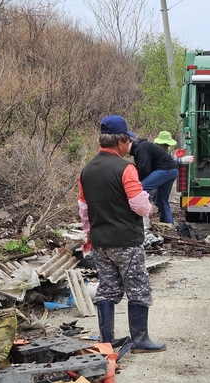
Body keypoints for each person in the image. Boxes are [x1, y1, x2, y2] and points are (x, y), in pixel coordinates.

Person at [78, 115, 165, 353]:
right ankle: (140, 340)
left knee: (107, 287)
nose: (130, 145)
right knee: (137, 287)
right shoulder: (126, 168)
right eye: (128, 141)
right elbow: (139, 205)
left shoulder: (86, 170)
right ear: (120, 141)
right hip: (126, 241)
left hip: (100, 242)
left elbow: (84, 208)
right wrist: (149, 205)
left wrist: (89, 236)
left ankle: (106, 341)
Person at [130, 134, 181, 224]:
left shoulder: (141, 148)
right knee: (162, 199)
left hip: (166, 170)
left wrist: (137, 181)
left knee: (141, 188)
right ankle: (168, 224)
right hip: (173, 170)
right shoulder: (143, 147)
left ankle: (143, 221)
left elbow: (145, 169)